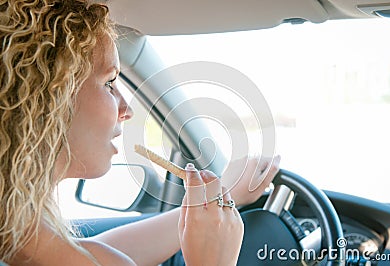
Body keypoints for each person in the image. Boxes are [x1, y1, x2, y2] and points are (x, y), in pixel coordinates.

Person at [0, 1, 280, 265]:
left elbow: (91, 251)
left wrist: (223, 194)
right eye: (109, 83)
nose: (126, 109)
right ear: (49, 99)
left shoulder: (17, 236)